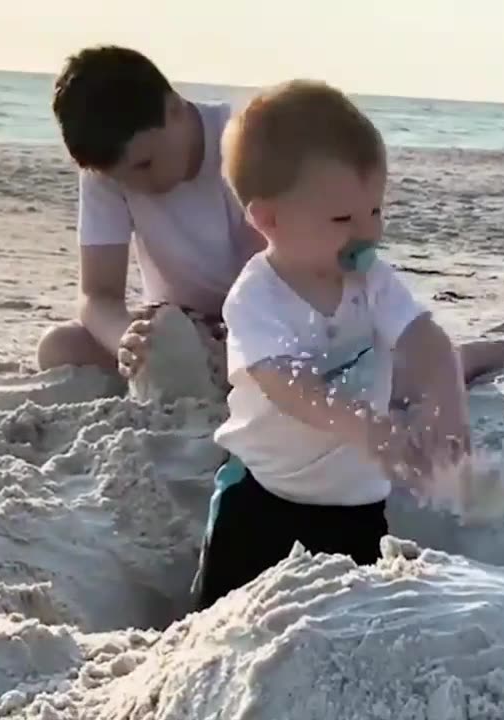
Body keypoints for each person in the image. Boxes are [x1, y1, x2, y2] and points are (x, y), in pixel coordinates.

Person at [41, 45, 504, 392]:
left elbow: (285, 265)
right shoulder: (110, 173)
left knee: (377, 381)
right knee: (59, 348)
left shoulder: (247, 143)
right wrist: (123, 337)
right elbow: (97, 294)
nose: (136, 185)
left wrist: (234, 338)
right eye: (121, 176)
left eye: (145, 165)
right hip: (180, 327)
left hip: (280, 308)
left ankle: (469, 357)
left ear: (174, 109)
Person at [192, 80, 471, 608]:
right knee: (219, 620)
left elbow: (424, 337)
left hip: (355, 504)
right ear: (267, 219)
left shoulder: (374, 282)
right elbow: (284, 382)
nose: (367, 234)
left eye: (375, 212)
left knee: (350, 621)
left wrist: (448, 405)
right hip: (263, 496)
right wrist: (363, 425)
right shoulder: (257, 297)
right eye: (343, 219)